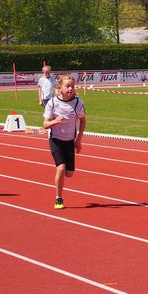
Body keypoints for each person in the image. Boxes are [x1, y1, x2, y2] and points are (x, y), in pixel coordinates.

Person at [43, 75, 87, 209]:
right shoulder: (52, 103)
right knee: (61, 169)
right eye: (67, 86)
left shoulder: (78, 103)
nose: (70, 89)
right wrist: (55, 121)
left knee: (69, 173)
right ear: (59, 87)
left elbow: (83, 121)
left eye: (72, 86)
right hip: (55, 139)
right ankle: (59, 198)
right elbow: (45, 125)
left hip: (69, 141)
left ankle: (62, 179)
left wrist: (78, 140)